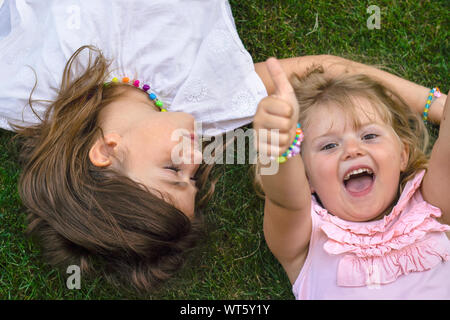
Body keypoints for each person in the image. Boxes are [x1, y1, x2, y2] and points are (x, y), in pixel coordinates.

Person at [253, 57, 450, 299]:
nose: (352, 150)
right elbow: (285, 198)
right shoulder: (308, 240)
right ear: (307, 178)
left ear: (402, 154)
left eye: (369, 136)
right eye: (329, 146)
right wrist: (280, 145)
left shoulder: (431, 207)